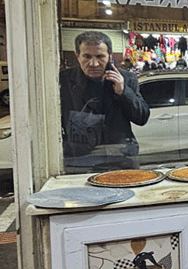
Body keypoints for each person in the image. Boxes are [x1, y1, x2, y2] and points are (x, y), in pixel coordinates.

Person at [59, 31, 150, 170]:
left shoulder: (126, 78)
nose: (93, 63)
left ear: (109, 56)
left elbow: (142, 117)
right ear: (77, 56)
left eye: (100, 56)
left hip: (120, 158)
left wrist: (123, 92)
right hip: (80, 160)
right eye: (87, 56)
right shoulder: (64, 80)